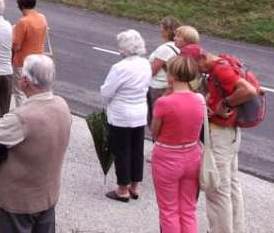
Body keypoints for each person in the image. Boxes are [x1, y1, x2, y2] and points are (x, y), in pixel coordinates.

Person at [0, 55, 72, 233]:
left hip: (19, 201)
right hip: (47, 194)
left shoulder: (21, 118)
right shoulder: (62, 105)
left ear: (25, 81)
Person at [181, 44, 257, 233]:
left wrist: (225, 103)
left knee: (216, 189)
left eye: (193, 67)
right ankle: (235, 228)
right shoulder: (225, 60)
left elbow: (248, 90)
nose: (194, 73)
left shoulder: (221, 70)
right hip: (231, 133)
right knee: (231, 185)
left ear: (201, 59)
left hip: (220, 134)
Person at [151, 55, 205, 233]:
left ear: (172, 76)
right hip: (192, 155)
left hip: (167, 156)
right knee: (188, 209)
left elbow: (155, 132)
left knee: (168, 210)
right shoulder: (199, 99)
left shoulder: (164, 102)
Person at [100, 29, 150, 202]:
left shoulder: (120, 67)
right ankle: (135, 186)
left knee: (122, 151)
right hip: (140, 112)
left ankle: (122, 188)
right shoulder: (146, 64)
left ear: (124, 49)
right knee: (137, 149)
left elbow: (107, 91)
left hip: (122, 114)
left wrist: (105, 100)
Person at [12, 0, 49, 107]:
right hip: (39, 59)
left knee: (20, 92)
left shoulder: (23, 22)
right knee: (35, 90)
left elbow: (16, 46)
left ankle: (23, 116)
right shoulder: (42, 18)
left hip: (23, 61)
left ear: (21, 6)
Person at [148, 17, 182, 125]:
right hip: (169, 86)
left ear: (168, 30)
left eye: (162, 28)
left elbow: (152, 70)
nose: (160, 30)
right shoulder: (178, 47)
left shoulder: (165, 49)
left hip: (158, 88)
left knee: (155, 119)